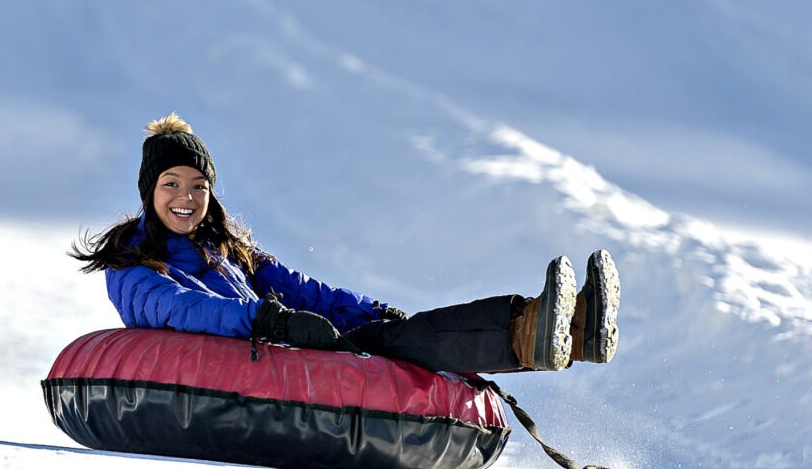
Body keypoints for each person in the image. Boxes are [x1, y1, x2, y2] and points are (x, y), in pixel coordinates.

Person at [70, 114, 622, 377]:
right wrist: (267, 323)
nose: (186, 199)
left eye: (198, 186)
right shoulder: (132, 265)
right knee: (400, 349)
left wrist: (366, 310)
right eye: (172, 185)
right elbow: (183, 309)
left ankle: (568, 330)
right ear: (150, 191)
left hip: (284, 343)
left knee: (395, 334)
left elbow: (302, 289)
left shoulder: (227, 250)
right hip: (258, 359)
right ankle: (532, 333)